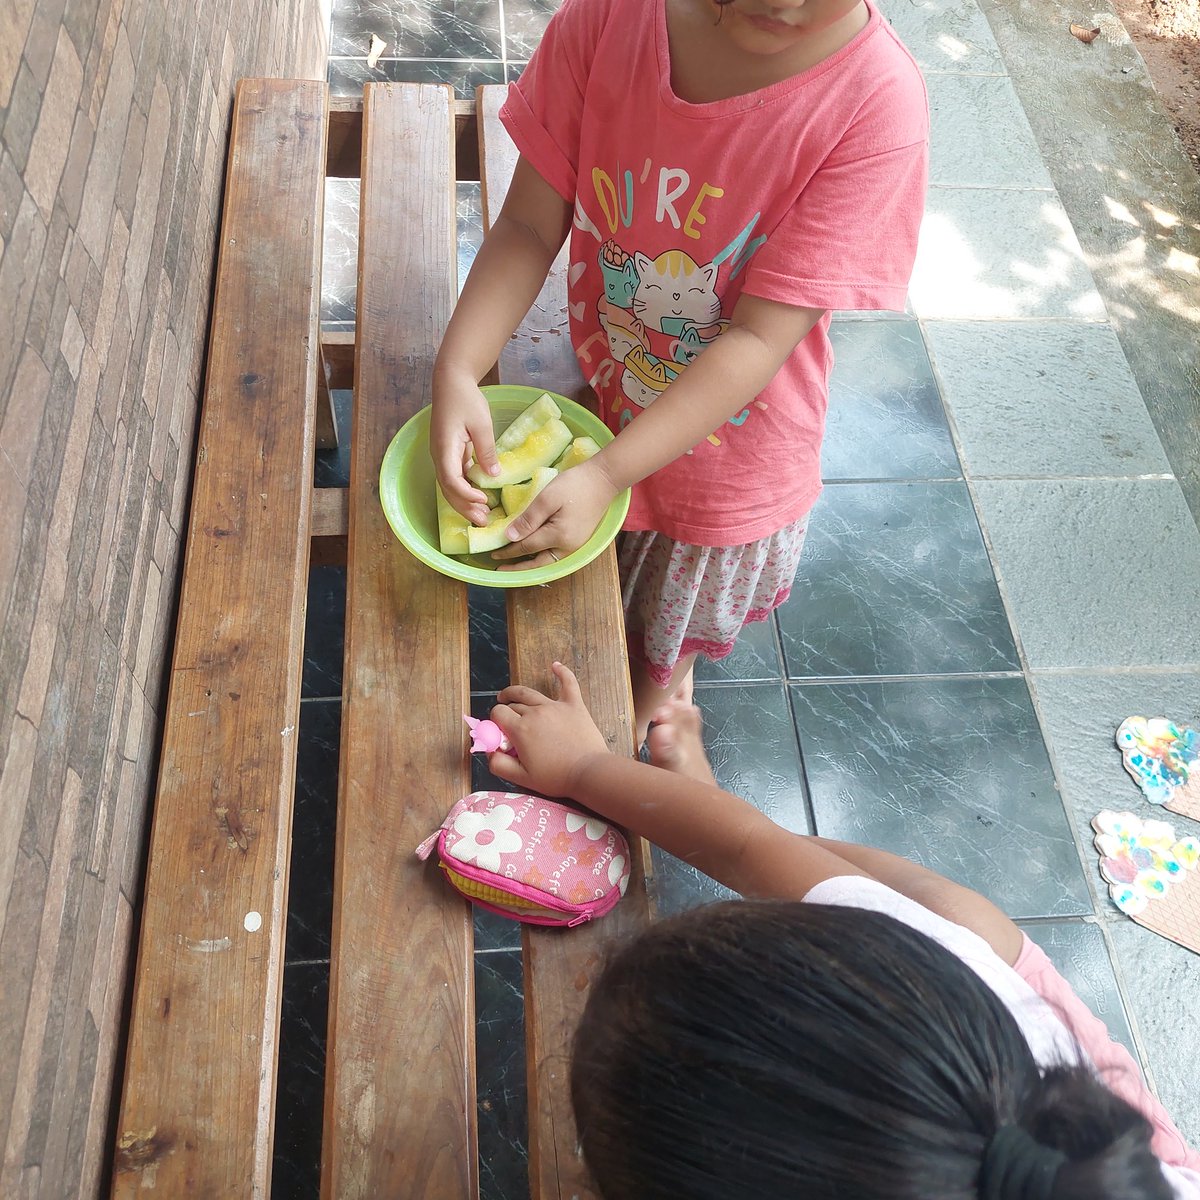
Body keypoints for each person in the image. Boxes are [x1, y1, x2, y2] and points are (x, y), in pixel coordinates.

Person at [484, 662, 1200, 1200]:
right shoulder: (961, 958)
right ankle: (707, 805)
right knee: (948, 915)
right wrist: (586, 768)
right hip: (1040, 1066)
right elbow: (749, 849)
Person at [430, 0, 929, 743]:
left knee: (662, 640)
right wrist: (458, 368)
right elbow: (531, 222)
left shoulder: (878, 106)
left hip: (727, 468)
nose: (783, 2)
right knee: (613, 587)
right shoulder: (608, 20)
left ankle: (653, 708)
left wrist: (607, 473)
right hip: (612, 400)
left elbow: (758, 339)